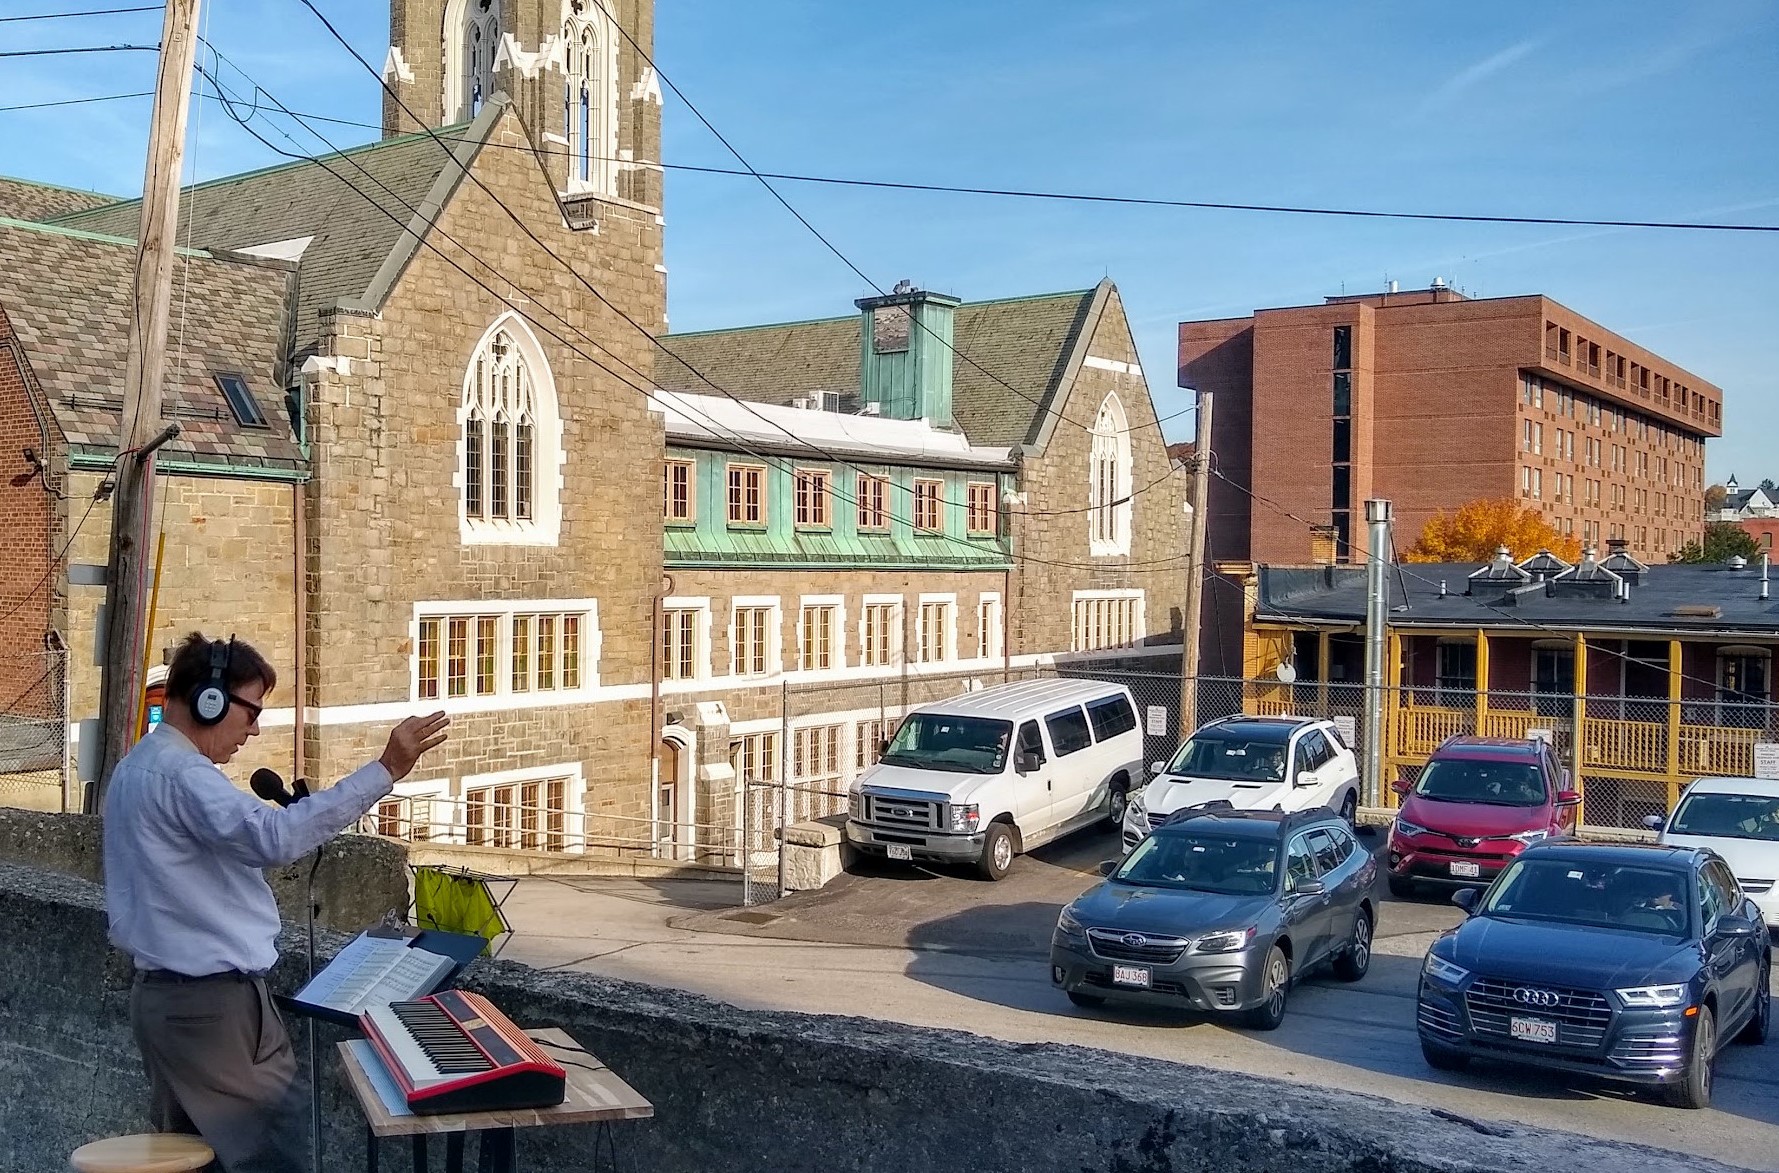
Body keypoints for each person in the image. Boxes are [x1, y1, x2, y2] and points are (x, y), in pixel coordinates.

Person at [102, 632, 449, 1173]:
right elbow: (274, 837)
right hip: (212, 1012)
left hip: (170, 1005)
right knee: (275, 1156)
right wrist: (385, 769)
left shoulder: (137, 767)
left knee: (206, 1161)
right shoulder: (182, 773)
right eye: (251, 711)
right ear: (209, 700)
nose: (254, 729)